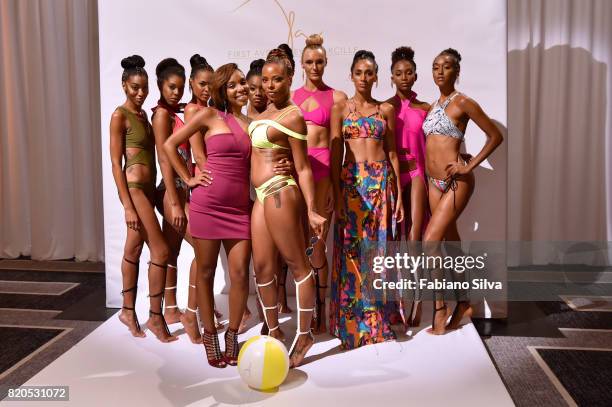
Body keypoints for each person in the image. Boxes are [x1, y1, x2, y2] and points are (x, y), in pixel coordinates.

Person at [165, 63, 295, 367]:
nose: (242, 89)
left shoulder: (252, 123)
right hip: (207, 205)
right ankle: (210, 334)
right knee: (206, 273)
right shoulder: (209, 116)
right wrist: (188, 177)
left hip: (239, 209)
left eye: (244, 85)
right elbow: (170, 145)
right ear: (223, 90)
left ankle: (232, 335)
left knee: (239, 275)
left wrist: (284, 166)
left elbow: (270, 155)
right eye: (234, 85)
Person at [249, 45, 327, 367]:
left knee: (298, 266)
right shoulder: (259, 114)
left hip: (282, 191)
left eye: (277, 80)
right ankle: (274, 329)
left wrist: (311, 209)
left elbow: (304, 167)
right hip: (261, 195)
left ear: (289, 79)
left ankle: (306, 334)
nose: (270, 86)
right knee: (263, 268)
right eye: (266, 81)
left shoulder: (293, 115)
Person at [422, 48, 502, 335]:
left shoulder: (464, 102)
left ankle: (440, 309)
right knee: (450, 245)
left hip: (457, 182)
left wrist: (470, 166)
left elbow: (496, 135)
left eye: (445, 67)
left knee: (430, 241)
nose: (439, 72)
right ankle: (465, 302)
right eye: (435, 67)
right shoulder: (432, 106)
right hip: (434, 183)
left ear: (457, 72)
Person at [329, 50, 404, 349]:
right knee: (350, 251)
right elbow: (336, 155)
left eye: (369, 72)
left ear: (376, 76)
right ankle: (350, 325)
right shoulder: (340, 109)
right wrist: (336, 193)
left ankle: (376, 323)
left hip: (381, 182)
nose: (363, 77)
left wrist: (397, 195)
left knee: (377, 253)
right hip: (351, 183)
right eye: (358, 72)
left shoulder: (385, 110)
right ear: (351, 75)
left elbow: (394, 153)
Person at [109, 55, 176, 343]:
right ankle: (155, 316)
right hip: (135, 190)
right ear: (124, 85)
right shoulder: (119, 115)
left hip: (148, 190)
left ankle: (127, 311)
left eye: (144, 87)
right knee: (160, 251)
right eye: (135, 87)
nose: (140, 92)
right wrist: (127, 206)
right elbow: (115, 163)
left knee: (134, 248)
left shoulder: (144, 117)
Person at [292, 34, 347, 334]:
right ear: (302, 64)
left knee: (317, 247)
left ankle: (321, 308)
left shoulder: (336, 97)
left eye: (320, 61)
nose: (315, 66)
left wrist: (335, 189)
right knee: (298, 245)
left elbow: (337, 145)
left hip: (323, 175)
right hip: (297, 176)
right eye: (310, 62)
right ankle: (306, 307)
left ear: (326, 63)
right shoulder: (290, 96)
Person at [150, 58, 203, 343]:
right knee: (201, 246)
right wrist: (173, 200)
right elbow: (163, 157)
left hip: (181, 192)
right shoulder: (161, 116)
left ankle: (171, 310)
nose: (176, 93)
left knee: (173, 252)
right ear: (161, 85)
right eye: (171, 87)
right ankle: (190, 313)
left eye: (180, 88)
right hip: (170, 192)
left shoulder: (174, 112)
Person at [385, 46, 430, 327]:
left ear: (415, 76)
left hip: (415, 176)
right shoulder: (384, 107)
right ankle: (394, 302)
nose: (404, 77)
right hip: (391, 178)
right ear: (391, 76)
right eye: (398, 73)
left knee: (413, 240)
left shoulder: (425, 109)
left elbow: (439, 144)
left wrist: (460, 157)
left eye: (408, 72)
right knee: (391, 242)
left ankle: (418, 299)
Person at [183, 54, 225, 333]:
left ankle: (197, 309)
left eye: (210, 84)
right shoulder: (192, 110)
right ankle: (191, 313)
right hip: (195, 191)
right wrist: (197, 177)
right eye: (202, 84)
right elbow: (198, 154)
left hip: (205, 189)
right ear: (192, 83)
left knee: (203, 256)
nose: (207, 89)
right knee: (202, 254)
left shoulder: (211, 111)